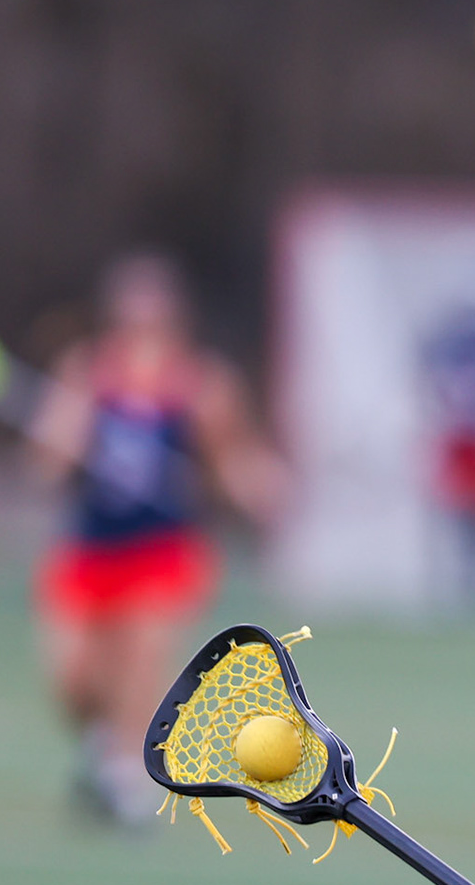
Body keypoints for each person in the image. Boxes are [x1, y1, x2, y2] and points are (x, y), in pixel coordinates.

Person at [29, 253, 285, 824]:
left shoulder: (201, 385)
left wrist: (255, 484)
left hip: (163, 550)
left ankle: (127, 781)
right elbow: (44, 461)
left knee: (141, 663)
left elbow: (228, 463)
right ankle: (103, 747)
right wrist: (63, 443)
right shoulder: (87, 374)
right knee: (71, 678)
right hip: (90, 549)